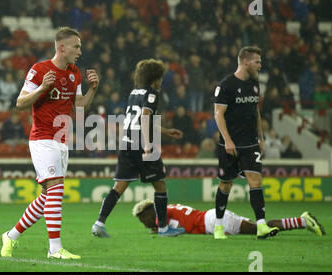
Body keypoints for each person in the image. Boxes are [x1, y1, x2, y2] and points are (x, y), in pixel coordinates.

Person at [0, 27, 99, 260]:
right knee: (56, 187)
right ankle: (55, 248)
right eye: (76, 46)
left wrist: (94, 89)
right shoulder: (39, 69)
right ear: (62, 47)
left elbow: (81, 107)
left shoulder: (74, 73)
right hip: (43, 139)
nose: (80, 51)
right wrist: (43, 87)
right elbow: (20, 103)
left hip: (61, 142)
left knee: (47, 196)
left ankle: (11, 235)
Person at [91, 58, 185, 239]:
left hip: (127, 143)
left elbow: (137, 120)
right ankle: (164, 229)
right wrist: (149, 145)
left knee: (118, 186)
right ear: (155, 78)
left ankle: (99, 223)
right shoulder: (152, 94)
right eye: (160, 77)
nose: (161, 81)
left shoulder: (134, 92)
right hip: (142, 145)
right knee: (160, 185)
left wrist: (165, 131)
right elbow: (144, 118)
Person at [213, 46, 279, 240]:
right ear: (246, 61)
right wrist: (227, 140)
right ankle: (218, 226)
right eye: (257, 61)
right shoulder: (226, 85)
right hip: (230, 144)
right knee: (226, 184)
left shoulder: (254, 85)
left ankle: (261, 225)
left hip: (250, 143)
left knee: (255, 181)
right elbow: (218, 114)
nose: (260, 65)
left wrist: (260, 138)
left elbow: (255, 112)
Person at [133, 200, 326, 236]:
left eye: (143, 220)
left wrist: (158, 229)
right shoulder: (168, 208)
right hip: (213, 218)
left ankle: (302, 221)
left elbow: (175, 230)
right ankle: (301, 221)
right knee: (259, 227)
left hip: (214, 222)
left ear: (150, 212)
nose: (144, 224)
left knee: (260, 228)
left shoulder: (161, 214)